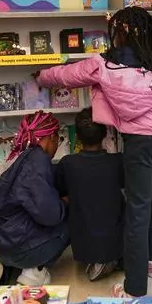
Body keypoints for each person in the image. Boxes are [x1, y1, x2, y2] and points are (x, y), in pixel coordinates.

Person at [35, 6, 152, 297]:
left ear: (118, 34)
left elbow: (68, 75)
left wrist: (42, 77)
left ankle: (134, 287)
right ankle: (151, 260)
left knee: (137, 207)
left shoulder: (104, 64)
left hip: (140, 140)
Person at [0, 111, 69, 304]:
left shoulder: (14, 157)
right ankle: (33, 274)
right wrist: (64, 203)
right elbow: (51, 215)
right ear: (50, 137)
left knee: (22, 224)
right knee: (67, 222)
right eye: (58, 139)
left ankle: (1, 269)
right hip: (18, 246)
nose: (57, 144)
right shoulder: (37, 161)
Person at [55, 107, 125, 282]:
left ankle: (100, 260)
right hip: (114, 238)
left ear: (77, 137)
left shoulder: (67, 163)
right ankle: (109, 259)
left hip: (81, 246)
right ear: (105, 135)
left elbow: (60, 192)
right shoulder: (117, 161)